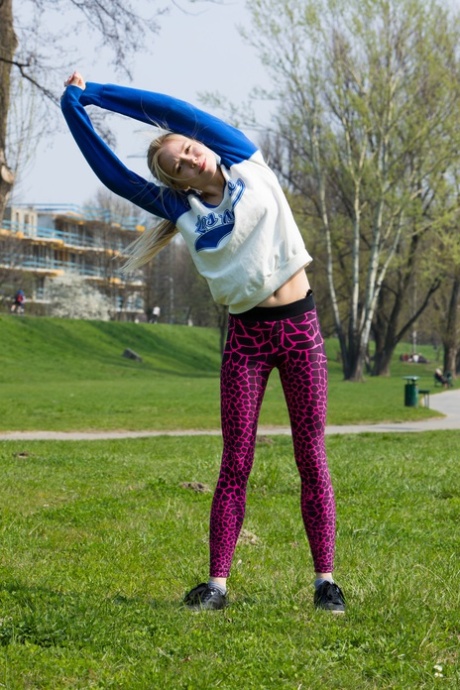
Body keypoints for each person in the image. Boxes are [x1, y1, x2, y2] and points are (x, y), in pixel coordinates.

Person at [61, 72, 346, 614]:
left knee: (312, 456)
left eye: (187, 149)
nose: (188, 159)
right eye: (176, 166)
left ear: (202, 146)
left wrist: (96, 91)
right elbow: (111, 173)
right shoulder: (182, 211)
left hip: (300, 329)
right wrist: (73, 107)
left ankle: (325, 582)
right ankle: (216, 585)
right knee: (234, 461)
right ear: (178, 183)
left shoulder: (246, 160)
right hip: (245, 338)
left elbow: (172, 108)